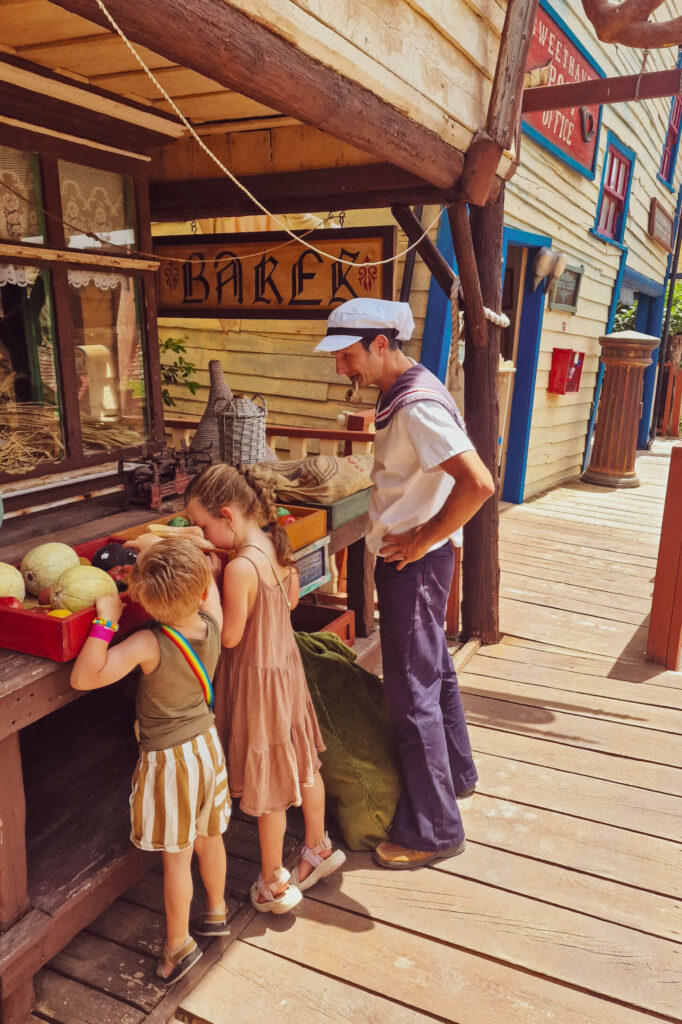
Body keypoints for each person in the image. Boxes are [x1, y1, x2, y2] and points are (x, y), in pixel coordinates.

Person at [314, 297, 495, 870]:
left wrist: (421, 538)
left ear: (381, 344)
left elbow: (479, 483)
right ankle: (457, 777)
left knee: (409, 693)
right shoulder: (413, 387)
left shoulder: (415, 406)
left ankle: (435, 830)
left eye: (347, 356)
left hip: (412, 565)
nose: (342, 369)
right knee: (434, 671)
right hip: (420, 561)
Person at [184, 464, 346, 914]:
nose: (202, 534)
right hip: (285, 670)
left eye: (203, 525)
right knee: (301, 760)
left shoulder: (241, 567)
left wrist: (208, 596)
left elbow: (230, 636)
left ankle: (273, 880)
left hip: (257, 680)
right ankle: (318, 846)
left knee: (272, 780)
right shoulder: (276, 545)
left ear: (227, 514)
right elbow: (289, 601)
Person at [70, 538, 230, 985]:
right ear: (199, 593)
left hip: (171, 761)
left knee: (176, 858)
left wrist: (105, 622)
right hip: (206, 747)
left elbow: (85, 677)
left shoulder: (147, 643)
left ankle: (177, 946)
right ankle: (216, 910)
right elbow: (209, 587)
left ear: (139, 598)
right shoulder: (211, 620)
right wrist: (204, 563)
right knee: (209, 837)